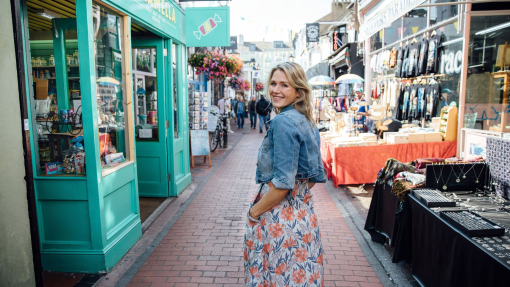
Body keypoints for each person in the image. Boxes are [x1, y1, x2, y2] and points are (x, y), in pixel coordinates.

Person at [244, 62, 326, 286]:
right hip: (303, 216)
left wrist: (254, 212)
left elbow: (282, 184)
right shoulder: (306, 119)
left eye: (284, 85)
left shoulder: (282, 122)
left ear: (298, 91)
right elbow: (315, 177)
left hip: (277, 219)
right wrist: (296, 194)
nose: (276, 90)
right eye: (273, 83)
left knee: (274, 277)